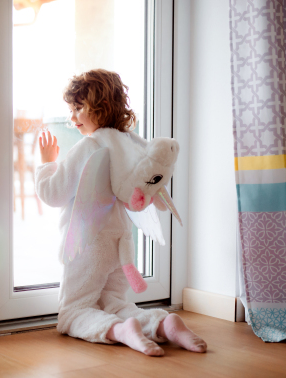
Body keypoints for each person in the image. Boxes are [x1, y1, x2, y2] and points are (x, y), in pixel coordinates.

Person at [35, 69, 206, 356]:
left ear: (99, 107)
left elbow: (53, 194)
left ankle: (118, 331)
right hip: (122, 242)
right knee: (115, 301)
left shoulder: (88, 146)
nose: (72, 117)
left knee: (73, 311)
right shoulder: (130, 143)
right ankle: (163, 324)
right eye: (71, 109)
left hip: (89, 245)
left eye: (78, 108)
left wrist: (46, 164)